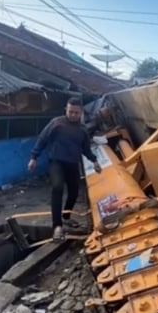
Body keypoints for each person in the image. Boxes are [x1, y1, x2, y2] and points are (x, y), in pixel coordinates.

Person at [29, 97, 102, 240]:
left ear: (81, 112)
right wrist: (34, 157)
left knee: (74, 192)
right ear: (66, 110)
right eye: (70, 112)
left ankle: (66, 217)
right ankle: (57, 226)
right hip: (56, 162)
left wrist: (94, 161)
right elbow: (42, 139)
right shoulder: (57, 123)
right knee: (57, 187)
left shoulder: (82, 129)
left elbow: (85, 149)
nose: (73, 115)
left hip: (72, 163)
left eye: (76, 113)